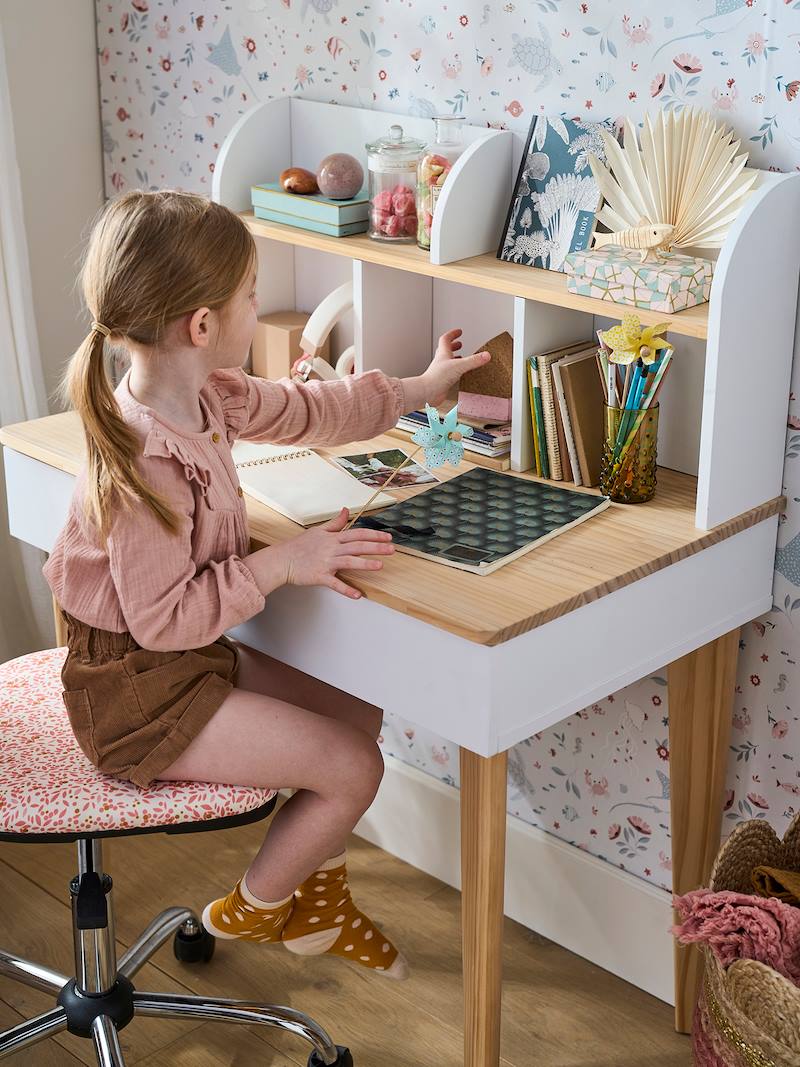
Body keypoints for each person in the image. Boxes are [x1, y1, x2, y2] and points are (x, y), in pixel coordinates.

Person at [43, 189, 490, 979]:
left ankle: (319, 906)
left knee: (357, 702)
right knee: (355, 768)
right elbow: (161, 621)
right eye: (252, 295)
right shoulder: (144, 463)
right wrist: (283, 562)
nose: (261, 308)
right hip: (135, 695)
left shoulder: (207, 394)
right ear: (203, 326)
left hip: (182, 663)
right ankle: (256, 903)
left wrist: (425, 387)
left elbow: (314, 409)